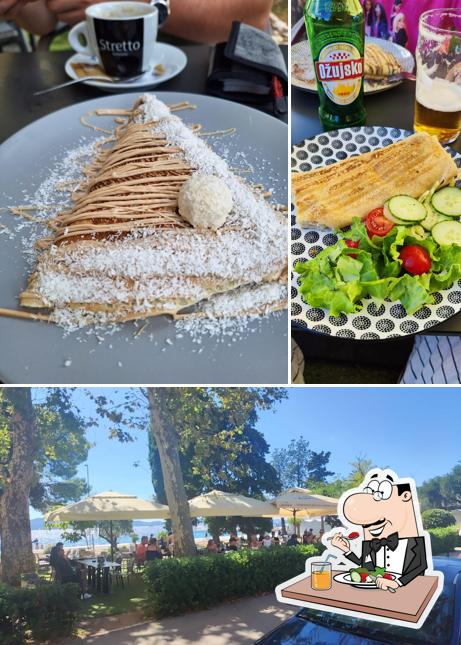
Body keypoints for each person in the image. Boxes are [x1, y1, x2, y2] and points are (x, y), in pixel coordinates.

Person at [2, 0, 273, 42]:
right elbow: (45, 22)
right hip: (80, 71)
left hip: (211, 67)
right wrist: (18, 8)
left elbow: (252, 12)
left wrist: (145, 6)